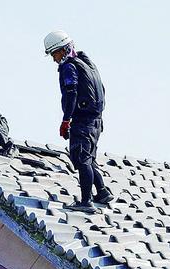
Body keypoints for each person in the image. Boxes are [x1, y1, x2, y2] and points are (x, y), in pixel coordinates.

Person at [44, 30, 113, 213]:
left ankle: (86, 201)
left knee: (81, 160)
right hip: (96, 122)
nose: (54, 59)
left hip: (83, 121)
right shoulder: (87, 62)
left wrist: (66, 120)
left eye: (55, 54)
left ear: (63, 49)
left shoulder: (69, 67)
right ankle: (103, 192)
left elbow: (71, 92)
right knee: (88, 159)